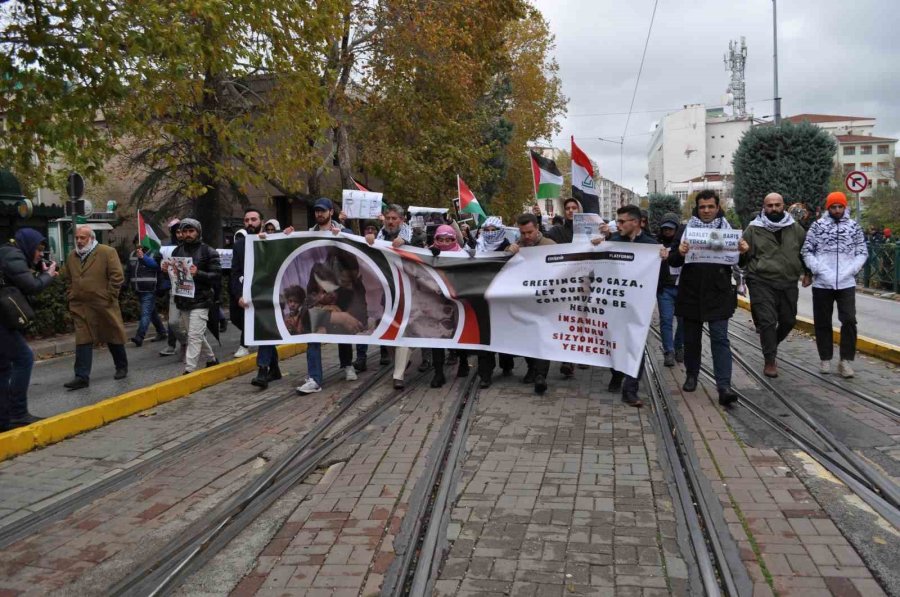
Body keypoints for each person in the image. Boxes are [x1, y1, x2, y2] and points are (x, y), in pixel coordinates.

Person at [667, 191, 739, 406]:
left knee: (720, 339)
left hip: (718, 293)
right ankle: (691, 375)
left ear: (718, 207)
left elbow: (739, 261)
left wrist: (744, 251)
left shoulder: (728, 230)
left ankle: (724, 385)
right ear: (696, 208)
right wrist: (679, 252)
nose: (706, 210)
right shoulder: (685, 230)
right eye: (702, 207)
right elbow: (673, 261)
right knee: (691, 340)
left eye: (710, 206)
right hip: (691, 293)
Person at [738, 192, 810, 378]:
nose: (774, 209)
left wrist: (808, 273)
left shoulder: (795, 229)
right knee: (767, 322)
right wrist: (743, 253)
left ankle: (770, 344)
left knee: (788, 320)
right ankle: (770, 359)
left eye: (777, 205)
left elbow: (805, 252)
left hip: (788, 281)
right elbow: (740, 259)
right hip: (761, 280)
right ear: (764, 207)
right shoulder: (753, 229)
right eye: (770, 205)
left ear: (783, 206)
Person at [603, 206, 666, 407]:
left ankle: (630, 389)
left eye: (622, 221)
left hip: (638, 305)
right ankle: (616, 373)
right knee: (613, 342)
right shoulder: (612, 242)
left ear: (636, 223)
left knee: (636, 344)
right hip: (615, 303)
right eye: (617, 221)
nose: (618, 225)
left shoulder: (651, 246)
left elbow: (659, 278)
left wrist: (663, 259)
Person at [801, 192, 868, 378]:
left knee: (849, 320)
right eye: (833, 207)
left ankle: (845, 360)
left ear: (845, 207)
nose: (837, 210)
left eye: (840, 206)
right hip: (822, 283)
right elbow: (807, 251)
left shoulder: (854, 227)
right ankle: (825, 358)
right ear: (828, 208)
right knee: (822, 321)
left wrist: (852, 269)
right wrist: (818, 269)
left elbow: (862, 252)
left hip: (846, 282)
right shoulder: (818, 226)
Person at [296, 198, 357, 394]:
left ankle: (347, 364)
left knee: (342, 331)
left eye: (322, 211)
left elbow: (356, 253)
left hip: (340, 290)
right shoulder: (309, 234)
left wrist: (344, 237)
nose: (319, 214)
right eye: (316, 211)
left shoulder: (345, 233)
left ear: (331, 212)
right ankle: (314, 378)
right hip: (316, 287)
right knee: (313, 334)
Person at [0, 229, 58, 430]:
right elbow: (31, 286)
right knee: (23, 358)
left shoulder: (9, 254)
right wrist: (48, 275)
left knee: (4, 366)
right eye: (38, 249)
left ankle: (3, 419)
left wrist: (38, 271)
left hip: (3, 321)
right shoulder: (13, 254)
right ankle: (18, 413)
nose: (40, 254)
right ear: (28, 245)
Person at [62, 225, 129, 389]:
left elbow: (117, 275)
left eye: (82, 238)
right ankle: (81, 377)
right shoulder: (72, 256)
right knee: (83, 339)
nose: (79, 241)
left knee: (112, 334)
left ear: (91, 238)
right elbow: (66, 277)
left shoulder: (106, 252)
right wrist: (71, 293)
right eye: (77, 237)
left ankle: (121, 366)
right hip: (80, 305)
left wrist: (110, 295)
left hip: (103, 303)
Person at [366, 204, 425, 379]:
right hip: (387, 290)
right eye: (388, 218)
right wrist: (368, 241)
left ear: (401, 220)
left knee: (406, 329)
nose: (391, 222)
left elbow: (423, 247)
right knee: (386, 329)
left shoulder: (414, 234)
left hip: (410, 289)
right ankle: (400, 362)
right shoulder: (380, 235)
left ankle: (398, 375)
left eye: (394, 218)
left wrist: (407, 243)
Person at [162, 219, 221, 374]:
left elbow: (216, 276)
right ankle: (211, 358)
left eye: (191, 231)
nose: (188, 235)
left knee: (194, 336)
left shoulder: (209, 251)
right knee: (195, 334)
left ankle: (189, 370)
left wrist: (198, 273)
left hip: (202, 300)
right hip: (183, 300)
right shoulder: (177, 252)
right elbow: (175, 278)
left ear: (198, 232)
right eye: (185, 231)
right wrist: (166, 269)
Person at [507, 212, 556, 394]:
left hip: (545, 302)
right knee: (526, 338)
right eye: (523, 233)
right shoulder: (516, 247)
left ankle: (540, 375)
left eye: (529, 232)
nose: (526, 236)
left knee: (543, 338)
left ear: (537, 228)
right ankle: (531, 368)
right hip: (524, 303)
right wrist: (508, 254)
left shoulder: (550, 246)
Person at [473, 216, 514, 388]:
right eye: (487, 230)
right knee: (484, 336)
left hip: (503, 298)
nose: (490, 233)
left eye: (493, 230)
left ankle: (507, 364)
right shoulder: (476, 246)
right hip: (482, 297)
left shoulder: (509, 248)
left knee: (503, 333)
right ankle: (485, 374)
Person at [427, 225, 469, 388]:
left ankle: (463, 361)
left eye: (448, 239)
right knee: (437, 336)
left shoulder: (462, 254)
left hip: (457, 299)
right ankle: (438, 372)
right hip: (435, 300)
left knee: (459, 332)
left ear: (454, 239)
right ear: (435, 239)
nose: (444, 243)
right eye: (440, 239)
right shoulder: (427, 252)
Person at [547, 197, 582, 378]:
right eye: (567, 208)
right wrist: (537, 220)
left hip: (584, 281)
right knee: (566, 319)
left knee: (579, 319)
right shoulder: (558, 231)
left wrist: (604, 235)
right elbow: (542, 243)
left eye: (574, 207)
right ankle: (567, 360)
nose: (570, 211)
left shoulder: (589, 230)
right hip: (563, 282)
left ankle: (575, 356)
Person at [229, 208, 263, 359]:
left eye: (253, 219)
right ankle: (253, 335)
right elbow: (235, 271)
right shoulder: (239, 245)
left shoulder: (270, 240)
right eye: (247, 220)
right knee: (236, 317)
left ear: (261, 221)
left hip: (264, 288)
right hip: (245, 288)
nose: (250, 223)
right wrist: (238, 296)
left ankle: (245, 344)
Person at [125, 239, 168, 347]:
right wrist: (126, 283)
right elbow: (128, 271)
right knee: (151, 312)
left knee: (145, 313)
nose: (138, 245)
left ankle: (139, 336)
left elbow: (158, 267)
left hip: (149, 289)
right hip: (137, 289)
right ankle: (162, 332)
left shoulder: (154, 254)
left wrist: (143, 258)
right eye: (136, 243)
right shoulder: (132, 255)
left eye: (139, 243)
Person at [656, 212, 684, 367]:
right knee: (666, 320)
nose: (667, 231)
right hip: (665, 289)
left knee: (683, 321)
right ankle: (669, 351)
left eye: (671, 228)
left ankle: (679, 345)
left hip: (682, 288)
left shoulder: (685, 244)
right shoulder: (656, 244)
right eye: (665, 228)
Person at [159, 219, 187, 357]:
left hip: (194, 291)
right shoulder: (167, 249)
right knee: (174, 321)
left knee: (191, 322)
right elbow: (161, 265)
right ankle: (184, 343)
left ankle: (194, 348)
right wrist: (163, 268)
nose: (181, 235)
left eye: (183, 231)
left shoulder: (198, 248)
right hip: (174, 289)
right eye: (178, 232)